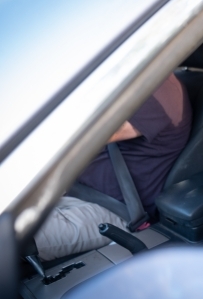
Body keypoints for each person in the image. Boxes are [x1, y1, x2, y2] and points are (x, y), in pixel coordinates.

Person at [34, 73, 192, 261]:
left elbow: (91, 133)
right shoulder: (135, 79)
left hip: (112, 211)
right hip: (77, 192)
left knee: (8, 238)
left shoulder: (160, 92)